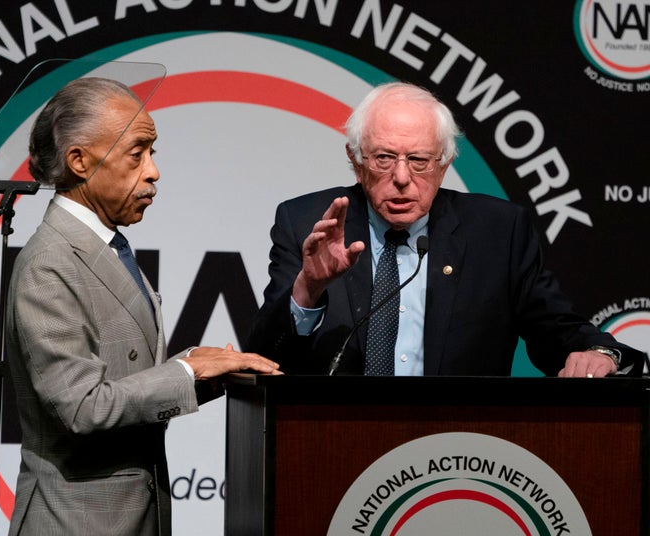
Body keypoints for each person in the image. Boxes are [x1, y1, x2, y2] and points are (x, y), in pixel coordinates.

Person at [4, 77, 280, 536]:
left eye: (152, 153)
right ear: (79, 161)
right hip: (74, 533)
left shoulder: (108, 247)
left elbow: (128, 381)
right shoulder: (49, 264)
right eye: (138, 153)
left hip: (132, 527)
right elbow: (82, 407)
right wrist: (186, 368)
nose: (153, 172)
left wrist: (207, 380)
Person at [246, 82, 643, 378]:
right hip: (331, 443)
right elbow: (262, 360)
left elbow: (557, 331)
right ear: (355, 159)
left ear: (445, 162)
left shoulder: (497, 233)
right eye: (384, 158)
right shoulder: (307, 223)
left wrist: (599, 352)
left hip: (457, 452)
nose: (402, 178)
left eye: (419, 160)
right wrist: (307, 291)